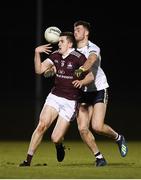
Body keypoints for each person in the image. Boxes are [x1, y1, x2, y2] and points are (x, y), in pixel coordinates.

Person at [19, 31, 94, 166]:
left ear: (70, 44)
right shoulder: (55, 56)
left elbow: (90, 76)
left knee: (55, 137)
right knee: (42, 125)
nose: (58, 44)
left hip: (70, 101)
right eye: (58, 41)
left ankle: (59, 145)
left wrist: (82, 82)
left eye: (62, 41)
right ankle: (27, 160)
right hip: (54, 97)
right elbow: (39, 70)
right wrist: (37, 52)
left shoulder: (79, 57)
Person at [73, 20, 128, 166]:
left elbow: (90, 60)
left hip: (98, 89)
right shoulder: (73, 51)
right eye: (74, 29)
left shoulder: (93, 48)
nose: (75, 31)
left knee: (97, 126)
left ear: (86, 32)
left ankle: (118, 137)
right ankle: (99, 157)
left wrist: (80, 70)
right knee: (82, 128)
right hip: (83, 91)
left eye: (78, 29)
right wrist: (51, 70)